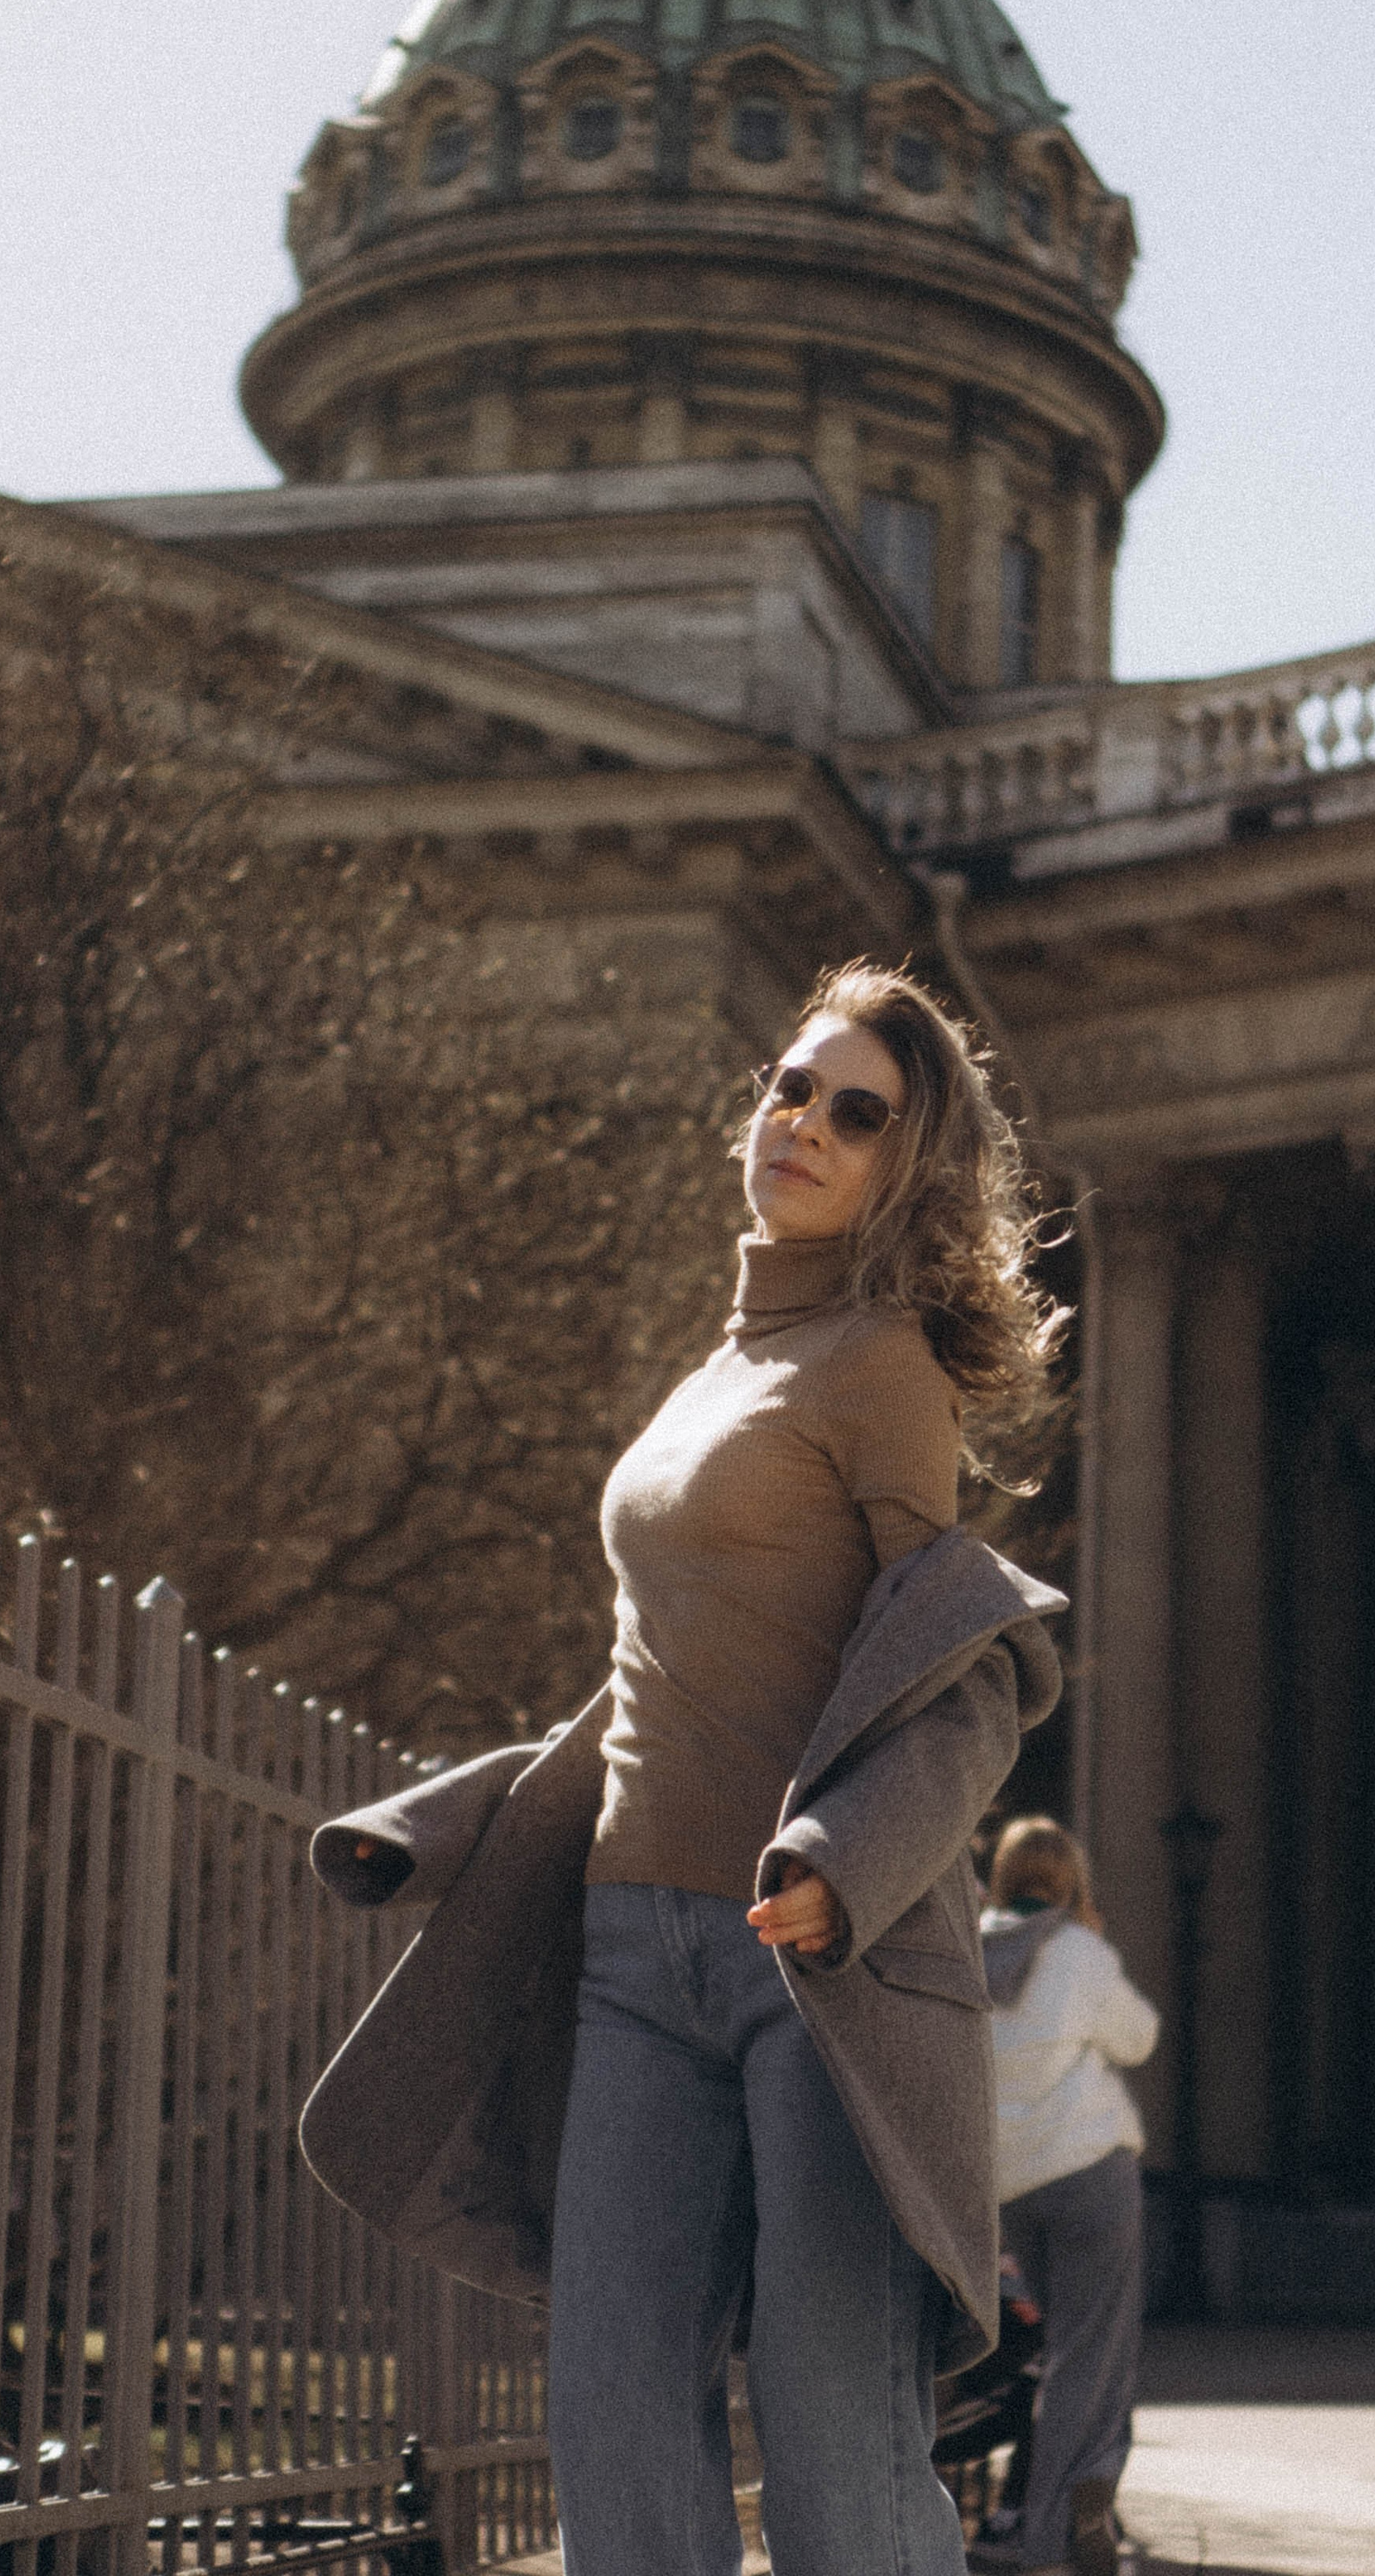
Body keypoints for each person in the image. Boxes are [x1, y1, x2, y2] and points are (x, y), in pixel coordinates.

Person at [298, 960, 1068, 2576]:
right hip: (629, 1961)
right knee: (616, 2415)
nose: (805, 1122)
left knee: (832, 2440)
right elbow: (661, 1684)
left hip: (816, 1965)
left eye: (856, 1113)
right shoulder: (715, 1373)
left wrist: (844, 1863)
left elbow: (964, 1675)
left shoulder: (879, 1365)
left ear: (904, 1169)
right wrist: (445, 1818)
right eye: (792, 1087)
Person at [969, 1817, 1160, 2576]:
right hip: (1089, 2174)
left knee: (1061, 2350)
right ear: (1072, 1883)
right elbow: (1139, 2038)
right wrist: (1093, 1941)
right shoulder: (1079, 1951)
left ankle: (1059, 2512)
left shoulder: (968, 1948)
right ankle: (1071, 2514)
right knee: (1094, 2352)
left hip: (1010, 2185)